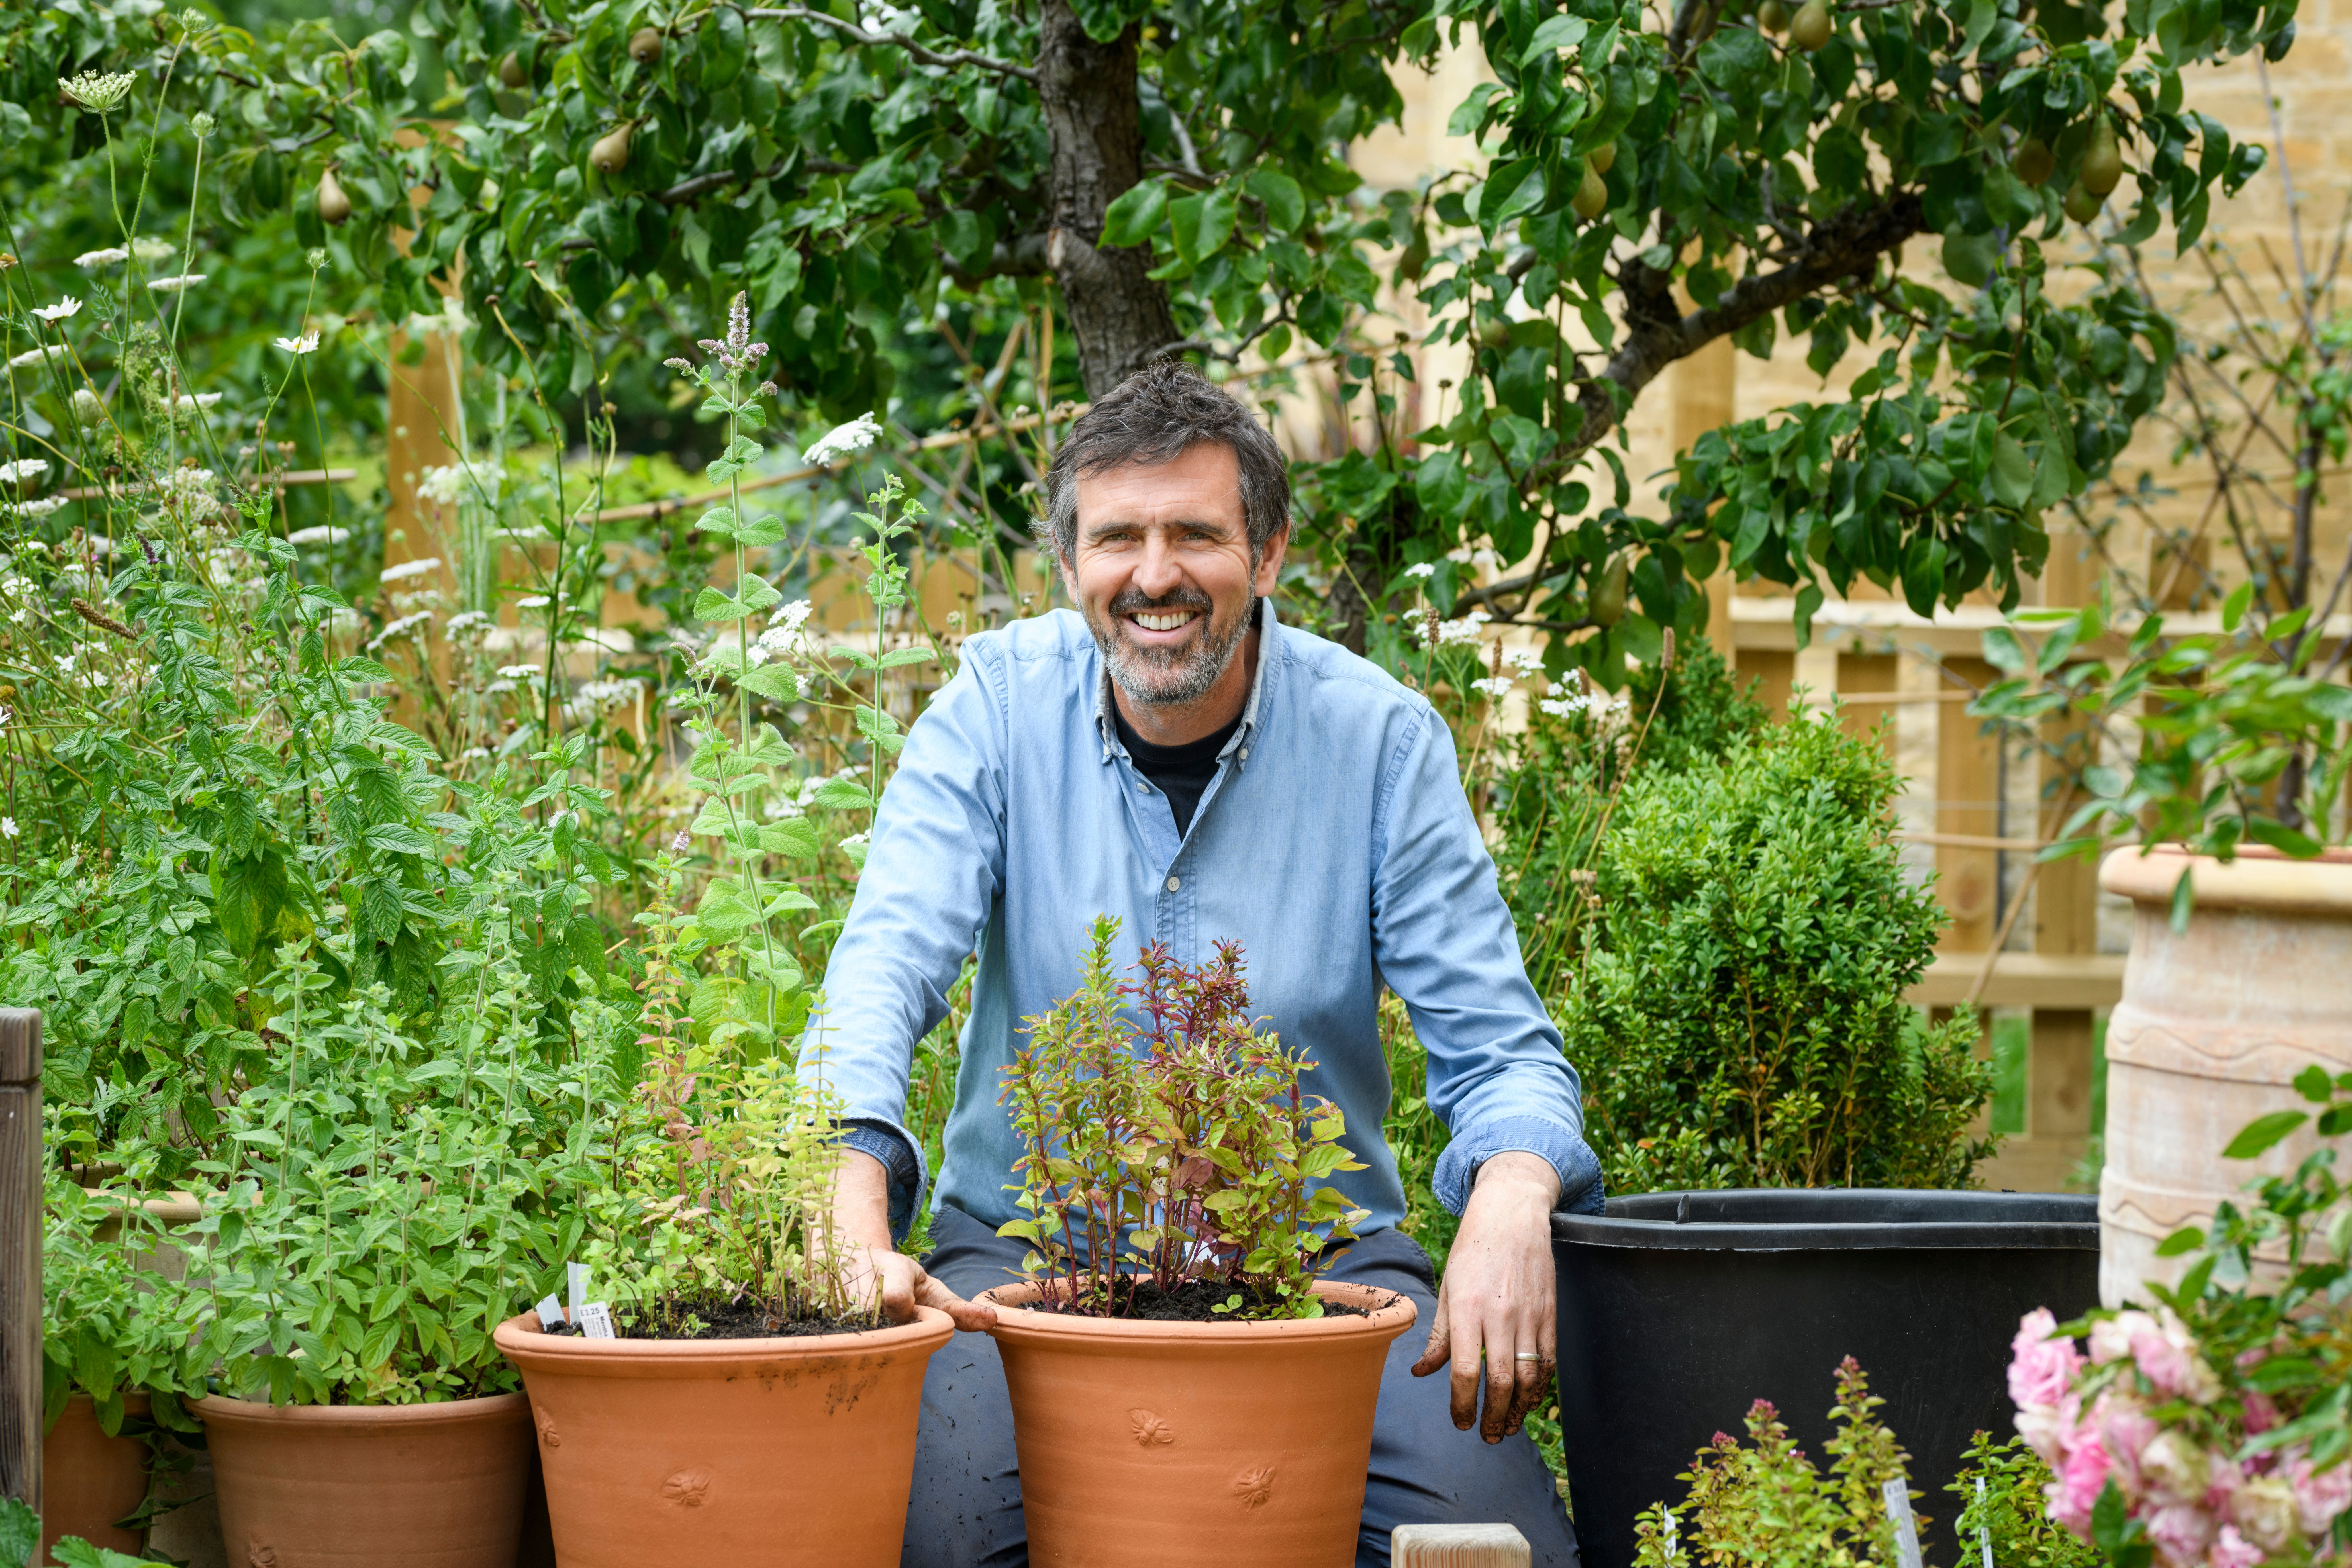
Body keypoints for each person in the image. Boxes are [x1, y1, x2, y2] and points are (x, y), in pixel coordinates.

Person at [811, 359, 1599, 1567]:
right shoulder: (992, 710)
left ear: (1269, 552)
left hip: (1319, 1273)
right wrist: (852, 1182)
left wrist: (1511, 1189)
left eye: (1197, 533)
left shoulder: (1381, 742)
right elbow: (885, 963)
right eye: (1118, 536)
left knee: (1503, 1553)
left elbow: (1500, 1043)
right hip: (1021, 1262)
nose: (1156, 573)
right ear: (1071, 565)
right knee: (936, 1543)